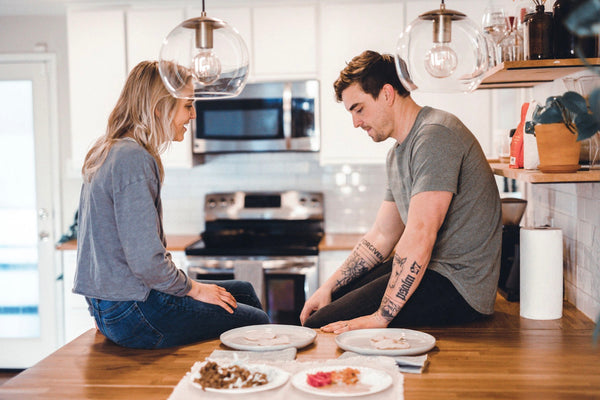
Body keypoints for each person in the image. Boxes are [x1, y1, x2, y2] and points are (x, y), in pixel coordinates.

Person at [300, 50, 502, 333]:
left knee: (323, 324)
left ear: (386, 94)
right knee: (328, 306)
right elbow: (382, 235)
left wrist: (380, 318)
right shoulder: (397, 154)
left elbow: (421, 233)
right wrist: (327, 287)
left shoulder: (435, 135)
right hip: (433, 271)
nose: (356, 122)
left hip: (460, 287)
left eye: (358, 109)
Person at [73, 61, 269, 349]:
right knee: (257, 323)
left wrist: (101, 312)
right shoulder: (133, 157)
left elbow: (92, 249)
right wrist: (193, 288)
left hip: (116, 308)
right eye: (187, 105)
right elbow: (146, 262)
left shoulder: (108, 150)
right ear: (159, 108)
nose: (193, 114)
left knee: (243, 291)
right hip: (136, 310)